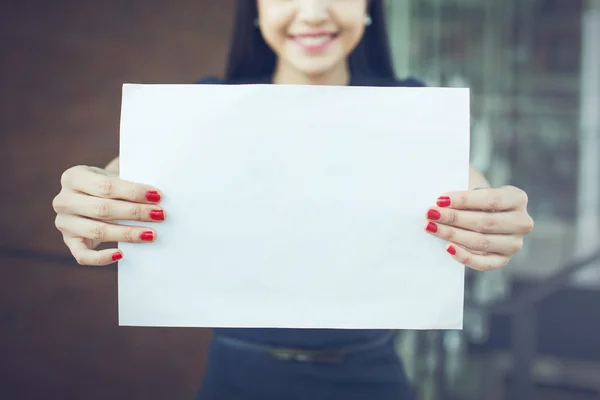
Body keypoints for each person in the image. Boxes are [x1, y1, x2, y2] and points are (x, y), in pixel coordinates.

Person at [51, 0, 535, 399]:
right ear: (254, 10)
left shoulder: (409, 109)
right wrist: (87, 193)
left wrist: (495, 217)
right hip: (234, 379)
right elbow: (112, 177)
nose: (313, 11)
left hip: (372, 379)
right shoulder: (204, 109)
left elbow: (476, 193)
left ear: (370, 7)